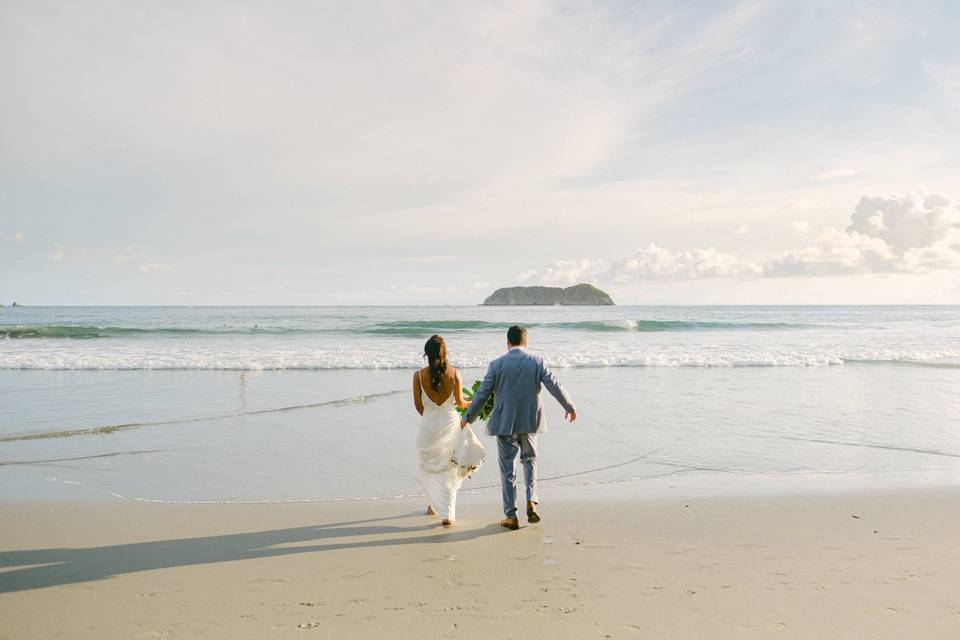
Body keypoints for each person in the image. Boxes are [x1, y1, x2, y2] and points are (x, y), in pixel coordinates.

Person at [460, 325, 576, 530]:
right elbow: (554, 385)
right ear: (526, 342)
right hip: (530, 422)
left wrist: (468, 418)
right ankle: (531, 500)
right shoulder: (537, 362)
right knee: (530, 460)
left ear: (508, 343)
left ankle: (511, 515)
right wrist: (569, 406)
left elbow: (483, 394)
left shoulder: (496, 364)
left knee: (507, 468)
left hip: (505, 423)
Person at [413, 335, 472, 526]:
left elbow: (419, 407)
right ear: (444, 352)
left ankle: (432, 505)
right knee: (449, 468)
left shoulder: (418, 376)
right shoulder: (455, 374)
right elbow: (462, 403)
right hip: (450, 424)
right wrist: (477, 402)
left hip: (428, 426)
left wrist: (431, 416)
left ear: (427, 354)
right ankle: (448, 514)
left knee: (430, 465)